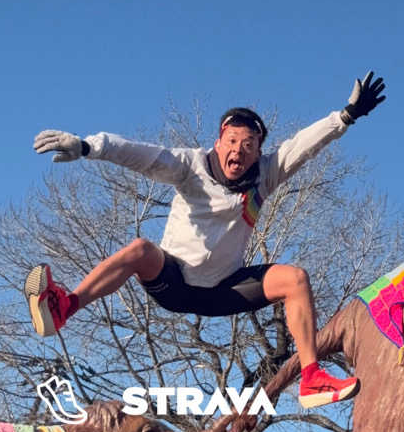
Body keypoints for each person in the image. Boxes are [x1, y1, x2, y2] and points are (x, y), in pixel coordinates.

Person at [24, 71, 385, 409]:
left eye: (248, 146)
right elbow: (142, 155)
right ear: (218, 142)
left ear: (258, 152)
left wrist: (347, 115)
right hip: (175, 280)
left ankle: (312, 378)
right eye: (232, 142)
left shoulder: (266, 174)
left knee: (296, 280)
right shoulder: (189, 165)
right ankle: (64, 307)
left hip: (224, 290)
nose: (239, 153)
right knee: (140, 250)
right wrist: (89, 147)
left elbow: (303, 146)